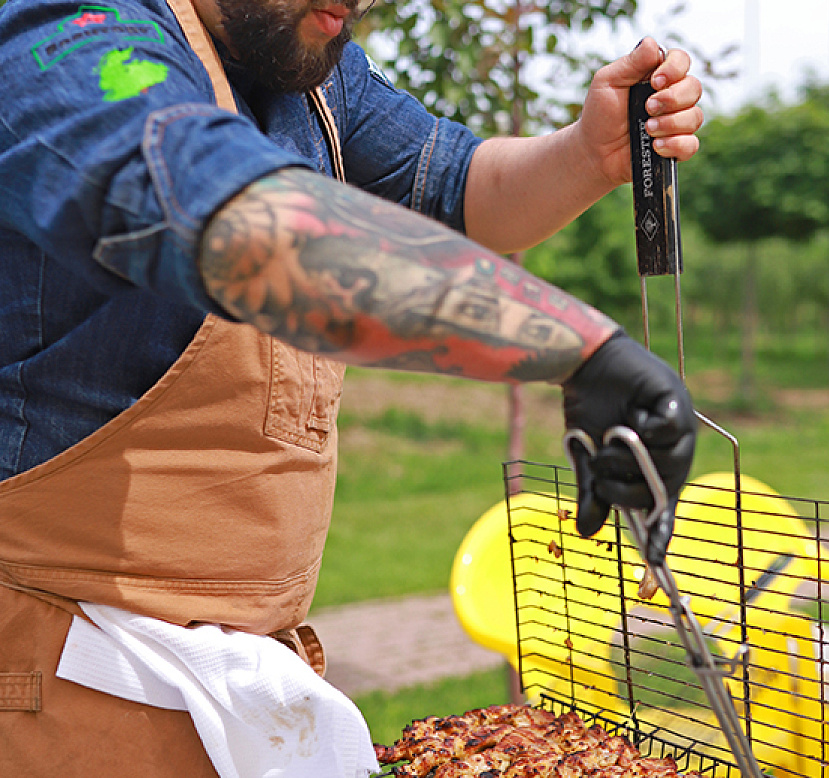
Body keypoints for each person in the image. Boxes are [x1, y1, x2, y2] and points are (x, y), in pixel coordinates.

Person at [0, 0, 703, 774]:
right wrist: (577, 348)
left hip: (243, 683)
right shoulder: (66, 32)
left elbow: (457, 186)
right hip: (62, 676)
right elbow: (244, 226)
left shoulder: (310, 71)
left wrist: (583, 155)